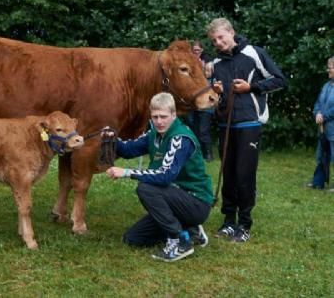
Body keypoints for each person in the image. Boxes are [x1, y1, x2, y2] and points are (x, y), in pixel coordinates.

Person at [103, 92, 213, 262]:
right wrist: (112, 139)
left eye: (164, 116)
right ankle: (192, 230)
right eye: (155, 117)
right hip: (174, 200)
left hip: (196, 201)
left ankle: (179, 240)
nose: (159, 121)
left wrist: (126, 172)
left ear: (174, 115)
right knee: (132, 238)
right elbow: (128, 149)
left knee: (146, 188)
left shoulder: (180, 138)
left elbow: (165, 175)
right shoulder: (154, 134)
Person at [207, 17, 287, 243]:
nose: (219, 43)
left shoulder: (254, 53)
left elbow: (280, 80)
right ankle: (228, 222)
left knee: (244, 175)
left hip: (249, 124)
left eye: (221, 37)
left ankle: (244, 224)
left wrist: (251, 87)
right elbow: (217, 100)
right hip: (226, 125)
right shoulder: (216, 63)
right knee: (228, 174)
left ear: (231, 32)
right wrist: (217, 91)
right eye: (214, 40)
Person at [308, 56, 334, 190]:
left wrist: (324, 116)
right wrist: (317, 112)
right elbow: (318, 102)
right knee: (321, 155)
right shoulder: (326, 85)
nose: (328, 70)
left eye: (330, 68)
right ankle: (318, 182)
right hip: (323, 128)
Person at [191, 41, 215, 161]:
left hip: (206, 107)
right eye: (194, 50)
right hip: (194, 105)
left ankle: (209, 154)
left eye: (198, 50)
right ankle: (198, 153)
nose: (196, 52)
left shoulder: (208, 63)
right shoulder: (190, 63)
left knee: (203, 130)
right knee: (194, 129)